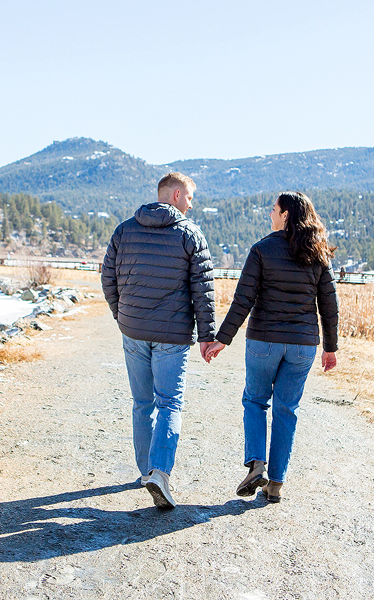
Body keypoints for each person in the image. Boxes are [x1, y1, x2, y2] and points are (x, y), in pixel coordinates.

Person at [204, 192, 338, 503]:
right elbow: (329, 305)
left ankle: (257, 465)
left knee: (255, 401)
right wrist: (330, 348)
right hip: (303, 346)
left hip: (264, 340)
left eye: (274, 210)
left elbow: (243, 300)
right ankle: (275, 484)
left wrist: (223, 339)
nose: (270, 215)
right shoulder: (318, 254)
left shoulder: (262, 250)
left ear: (287, 215)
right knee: (286, 410)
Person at [101, 172, 216, 509]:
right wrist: (206, 336)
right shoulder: (189, 235)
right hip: (172, 335)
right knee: (169, 402)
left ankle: (144, 472)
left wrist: (121, 315)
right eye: (190, 198)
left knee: (142, 402)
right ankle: (159, 474)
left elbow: (108, 277)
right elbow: (203, 291)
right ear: (177, 195)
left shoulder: (124, 230)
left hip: (133, 330)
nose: (192, 205)